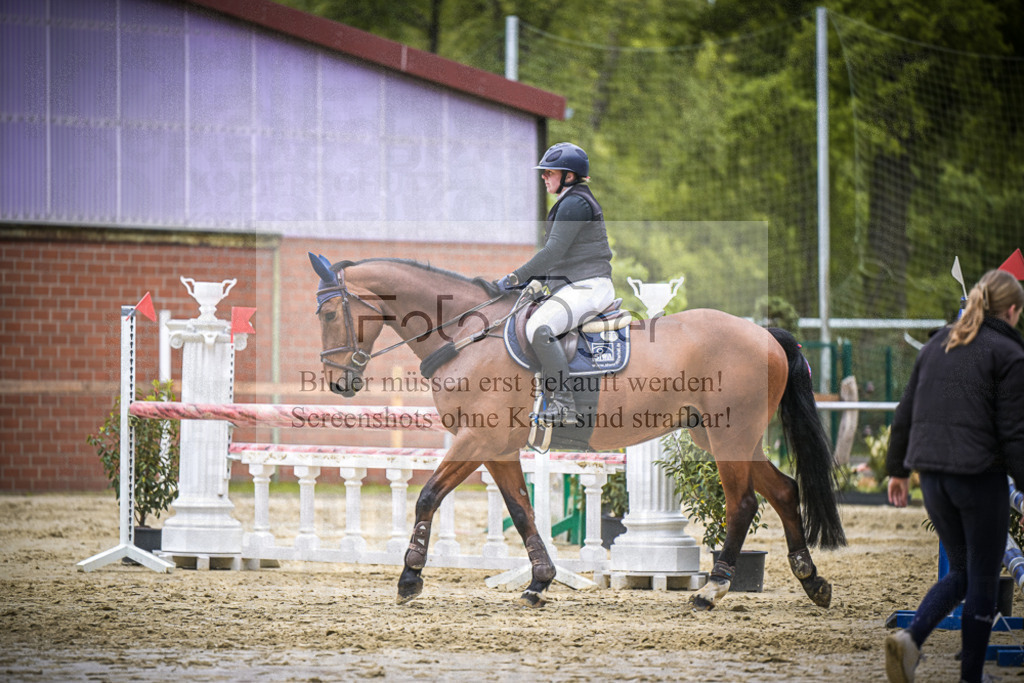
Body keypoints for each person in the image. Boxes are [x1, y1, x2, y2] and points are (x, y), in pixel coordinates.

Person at [885, 268, 1024, 683]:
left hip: (932, 479)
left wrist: (896, 471)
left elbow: (904, 412)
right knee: (983, 575)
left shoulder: (936, 345)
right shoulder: (1010, 355)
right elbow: (1015, 432)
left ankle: (911, 640)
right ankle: (971, 677)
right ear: (1012, 310)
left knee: (962, 570)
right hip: (979, 478)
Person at [496, 142, 614, 425]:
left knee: (539, 327)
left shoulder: (575, 202)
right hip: (578, 283)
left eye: (549, 172)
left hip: (589, 285)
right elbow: (561, 259)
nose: (544, 177)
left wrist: (515, 277)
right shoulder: (572, 200)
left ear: (569, 176)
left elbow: (552, 252)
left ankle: (564, 404)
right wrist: (535, 283)